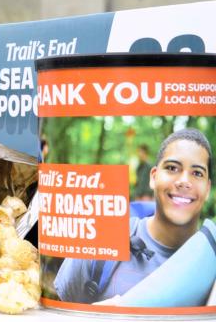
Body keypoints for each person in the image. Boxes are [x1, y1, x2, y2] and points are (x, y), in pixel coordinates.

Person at [53, 128, 213, 305]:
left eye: (197, 173)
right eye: (172, 168)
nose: (184, 181)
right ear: (153, 177)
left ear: (207, 188)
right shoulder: (99, 239)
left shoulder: (211, 259)